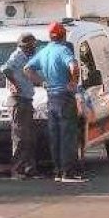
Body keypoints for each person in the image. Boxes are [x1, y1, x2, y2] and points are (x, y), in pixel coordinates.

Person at [24, 22, 84, 183]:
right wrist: (73, 81)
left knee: (55, 135)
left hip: (51, 97)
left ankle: (57, 171)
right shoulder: (63, 50)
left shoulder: (44, 52)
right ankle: (68, 172)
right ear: (63, 35)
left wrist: (41, 82)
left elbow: (27, 69)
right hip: (64, 96)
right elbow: (74, 66)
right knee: (68, 135)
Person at [0, 33, 40, 180]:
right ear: (26, 45)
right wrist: (15, 84)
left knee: (29, 137)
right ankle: (17, 170)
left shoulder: (27, 58)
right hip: (18, 100)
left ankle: (29, 169)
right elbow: (5, 69)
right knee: (20, 137)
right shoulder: (18, 55)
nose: (34, 47)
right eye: (32, 45)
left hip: (26, 100)